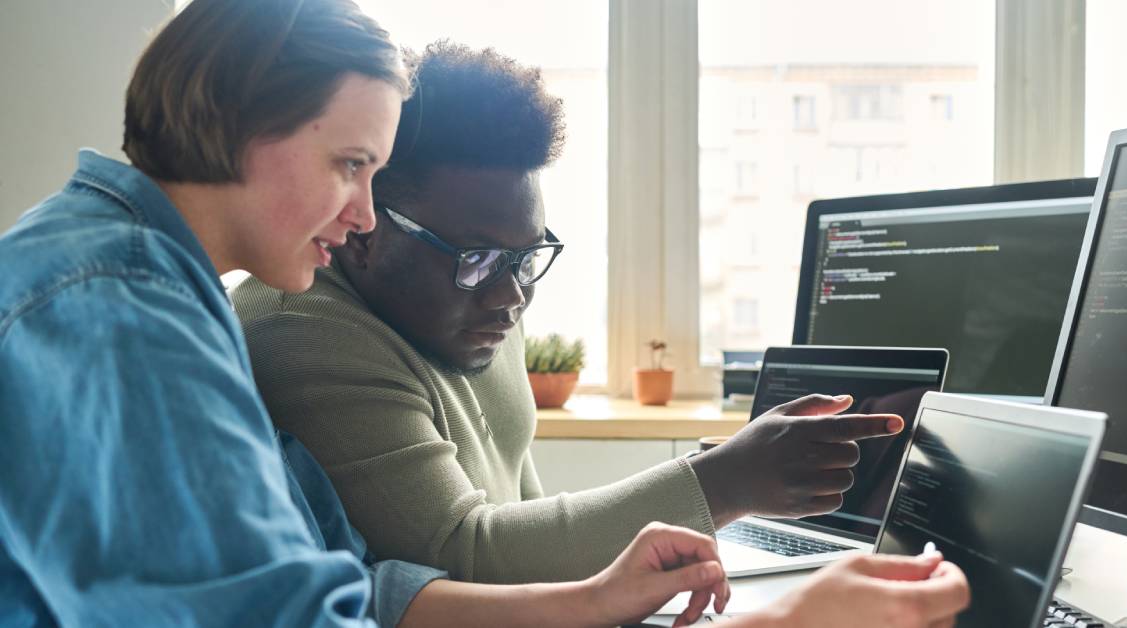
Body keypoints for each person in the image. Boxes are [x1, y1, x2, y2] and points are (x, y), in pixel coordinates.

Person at [0, 1, 731, 625]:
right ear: (239, 122)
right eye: (351, 165)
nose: (366, 216)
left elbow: (353, 586)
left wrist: (593, 598)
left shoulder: (168, 287)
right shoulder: (114, 311)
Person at [233, 41, 905, 585]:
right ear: (368, 227)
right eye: (477, 259)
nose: (509, 296)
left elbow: (523, 517)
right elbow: (462, 554)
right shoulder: (300, 329)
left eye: (527, 258)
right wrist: (723, 482)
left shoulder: (481, 298)